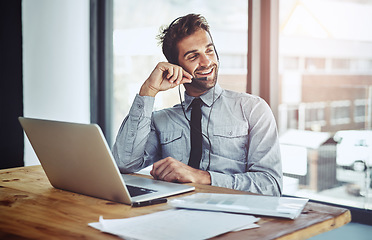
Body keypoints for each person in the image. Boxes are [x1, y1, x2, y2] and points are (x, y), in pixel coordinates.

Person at [113, 13, 282, 196]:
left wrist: (203, 177)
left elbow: (271, 186)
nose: (207, 61)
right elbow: (123, 163)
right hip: (175, 215)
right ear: (175, 66)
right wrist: (148, 90)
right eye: (193, 56)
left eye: (209, 50)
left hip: (236, 216)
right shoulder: (161, 120)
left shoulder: (252, 109)